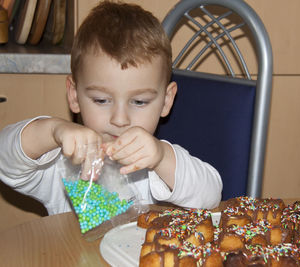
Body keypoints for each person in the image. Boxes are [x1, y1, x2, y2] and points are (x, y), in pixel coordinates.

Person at [0, 1, 222, 215]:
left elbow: (212, 197)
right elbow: (5, 158)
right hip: (67, 254)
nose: (120, 119)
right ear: (75, 96)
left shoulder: (158, 161)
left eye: (139, 102)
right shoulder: (60, 161)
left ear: (166, 101)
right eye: (101, 100)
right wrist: (51, 130)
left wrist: (162, 158)